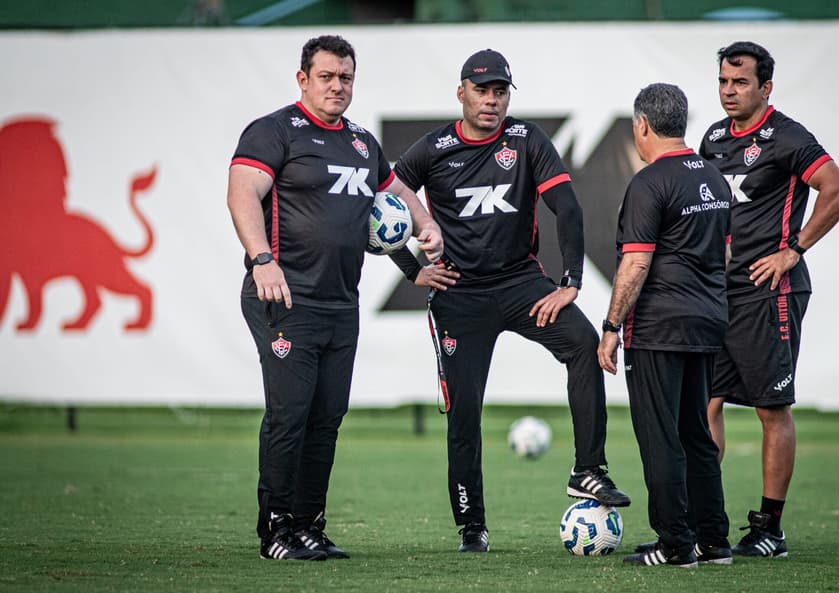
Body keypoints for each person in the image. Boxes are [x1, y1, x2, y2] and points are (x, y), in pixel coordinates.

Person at [387, 48, 630, 553]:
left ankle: (588, 469)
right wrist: (413, 270)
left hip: (521, 284)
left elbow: (568, 208)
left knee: (583, 344)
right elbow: (380, 209)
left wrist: (570, 282)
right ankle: (471, 526)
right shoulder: (432, 149)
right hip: (458, 294)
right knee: (464, 415)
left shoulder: (526, 139)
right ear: (461, 93)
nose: (491, 100)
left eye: (500, 91)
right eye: (482, 91)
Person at [226, 35, 443, 561]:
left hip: (340, 303)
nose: (337, 86)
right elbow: (241, 193)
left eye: (345, 77)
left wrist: (424, 233)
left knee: (326, 418)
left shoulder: (362, 144)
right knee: (291, 414)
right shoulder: (274, 131)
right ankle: (276, 531)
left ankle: (309, 526)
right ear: (303, 79)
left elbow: (395, 199)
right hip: (284, 297)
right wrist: (261, 259)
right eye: (326, 76)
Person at [698, 41, 839, 557]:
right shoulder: (713, 138)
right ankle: (702, 518)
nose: (729, 91)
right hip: (719, 292)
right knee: (706, 403)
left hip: (771, 291)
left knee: (771, 408)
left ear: (766, 87)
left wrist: (793, 250)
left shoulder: (787, 137)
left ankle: (770, 528)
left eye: (740, 82)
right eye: (723, 81)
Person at [597, 83, 732, 568]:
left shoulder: (649, 183)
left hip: (659, 327)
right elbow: (725, 256)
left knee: (661, 438)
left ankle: (675, 544)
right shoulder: (714, 177)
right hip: (707, 321)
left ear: (642, 125)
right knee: (696, 434)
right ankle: (713, 542)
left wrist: (611, 326)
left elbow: (635, 263)